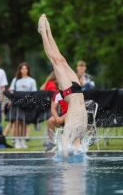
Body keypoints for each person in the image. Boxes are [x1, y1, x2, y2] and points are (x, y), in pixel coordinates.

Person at [38, 14, 87, 158]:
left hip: (70, 94)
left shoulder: (70, 132)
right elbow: (74, 149)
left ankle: (43, 32)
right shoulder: (80, 137)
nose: (78, 148)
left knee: (55, 61)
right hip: (76, 91)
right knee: (61, 60)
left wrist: (65, 160)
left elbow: (64, 146)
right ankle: (47, 29)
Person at [9, 62, 37, 149]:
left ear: (28, 70)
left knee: (25, 122)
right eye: (22, 68)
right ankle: (17, 140)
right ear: (20, 70)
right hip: (17, 103)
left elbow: (34, 93)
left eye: (26, 68)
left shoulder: (32, 81)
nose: (24, 70)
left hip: (27, 104)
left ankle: (23, 141)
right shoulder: (15, 80)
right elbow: (12, 92)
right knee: (17, 122)